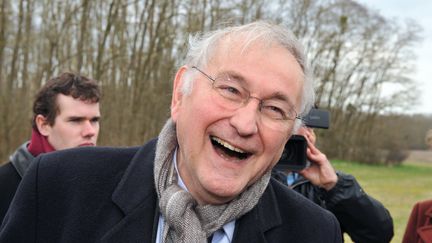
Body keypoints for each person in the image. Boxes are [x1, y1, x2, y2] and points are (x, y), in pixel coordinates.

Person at [0, 21, 342, 242]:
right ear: (180, 93)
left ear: (290, 134)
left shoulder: (315, 233)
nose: (245, 124)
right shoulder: (59, 187)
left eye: (275, 109)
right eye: (230, 90)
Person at [0, 72, 101, 224]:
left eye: (94, 120)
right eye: (76, 120)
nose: (90, 131)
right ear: (44, 125)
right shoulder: (5, 187)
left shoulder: (104, 187)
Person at [273, 126, 394, 243]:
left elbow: (379, 235)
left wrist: (335, 186)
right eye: (299, 125)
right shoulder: (256, 175)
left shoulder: (324, 183)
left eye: (310, 128)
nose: (307, 134)